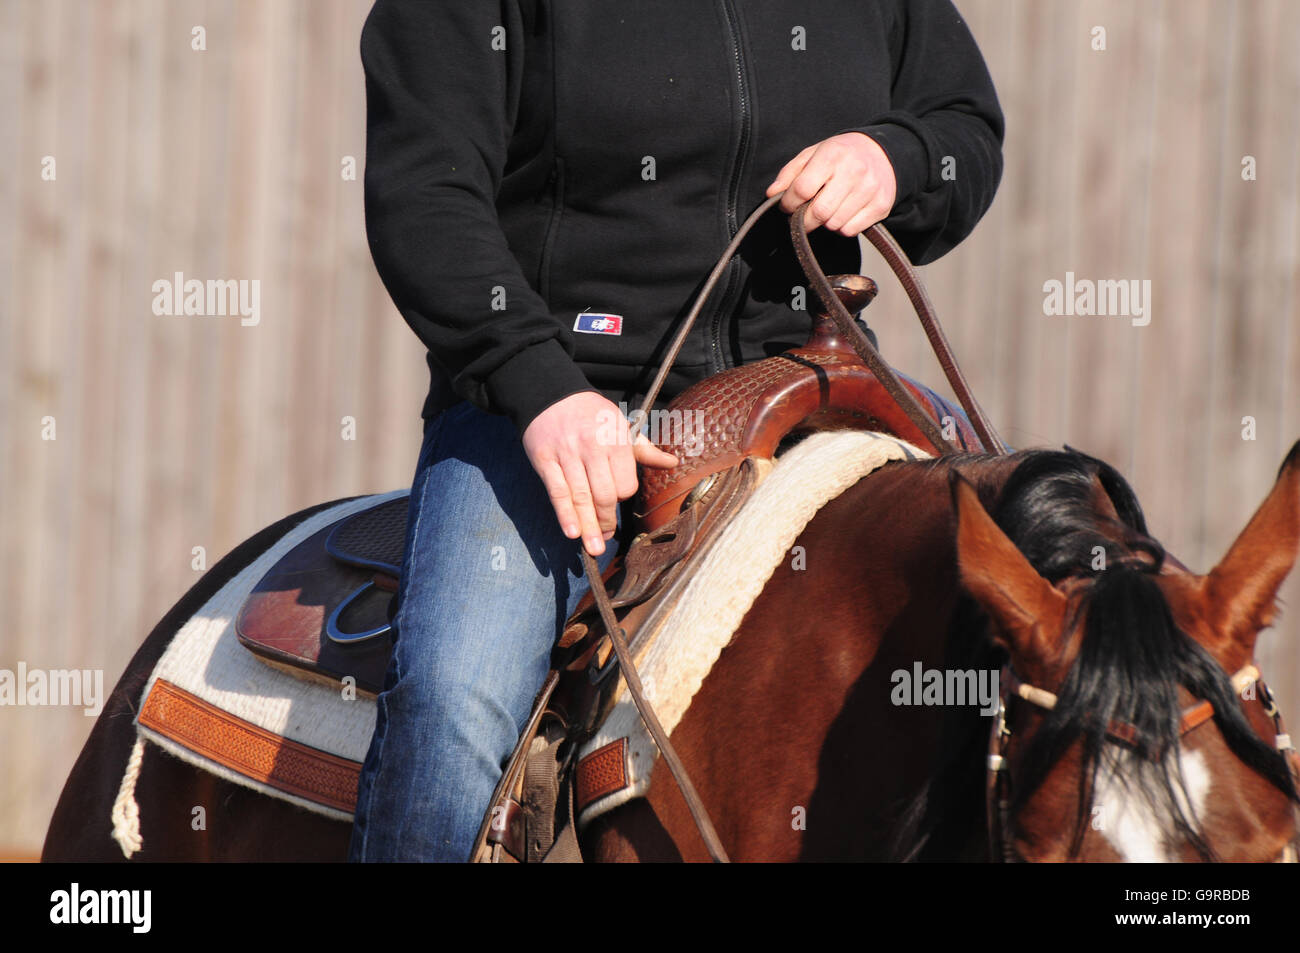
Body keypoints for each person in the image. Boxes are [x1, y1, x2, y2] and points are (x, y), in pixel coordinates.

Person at [349, 0, 1004, 862]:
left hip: (811, 385)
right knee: (451, 701)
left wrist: (895, 157)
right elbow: (424, 191)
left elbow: (966, 128)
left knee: (1032, 654)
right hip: (559, 404)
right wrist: (541, 386)